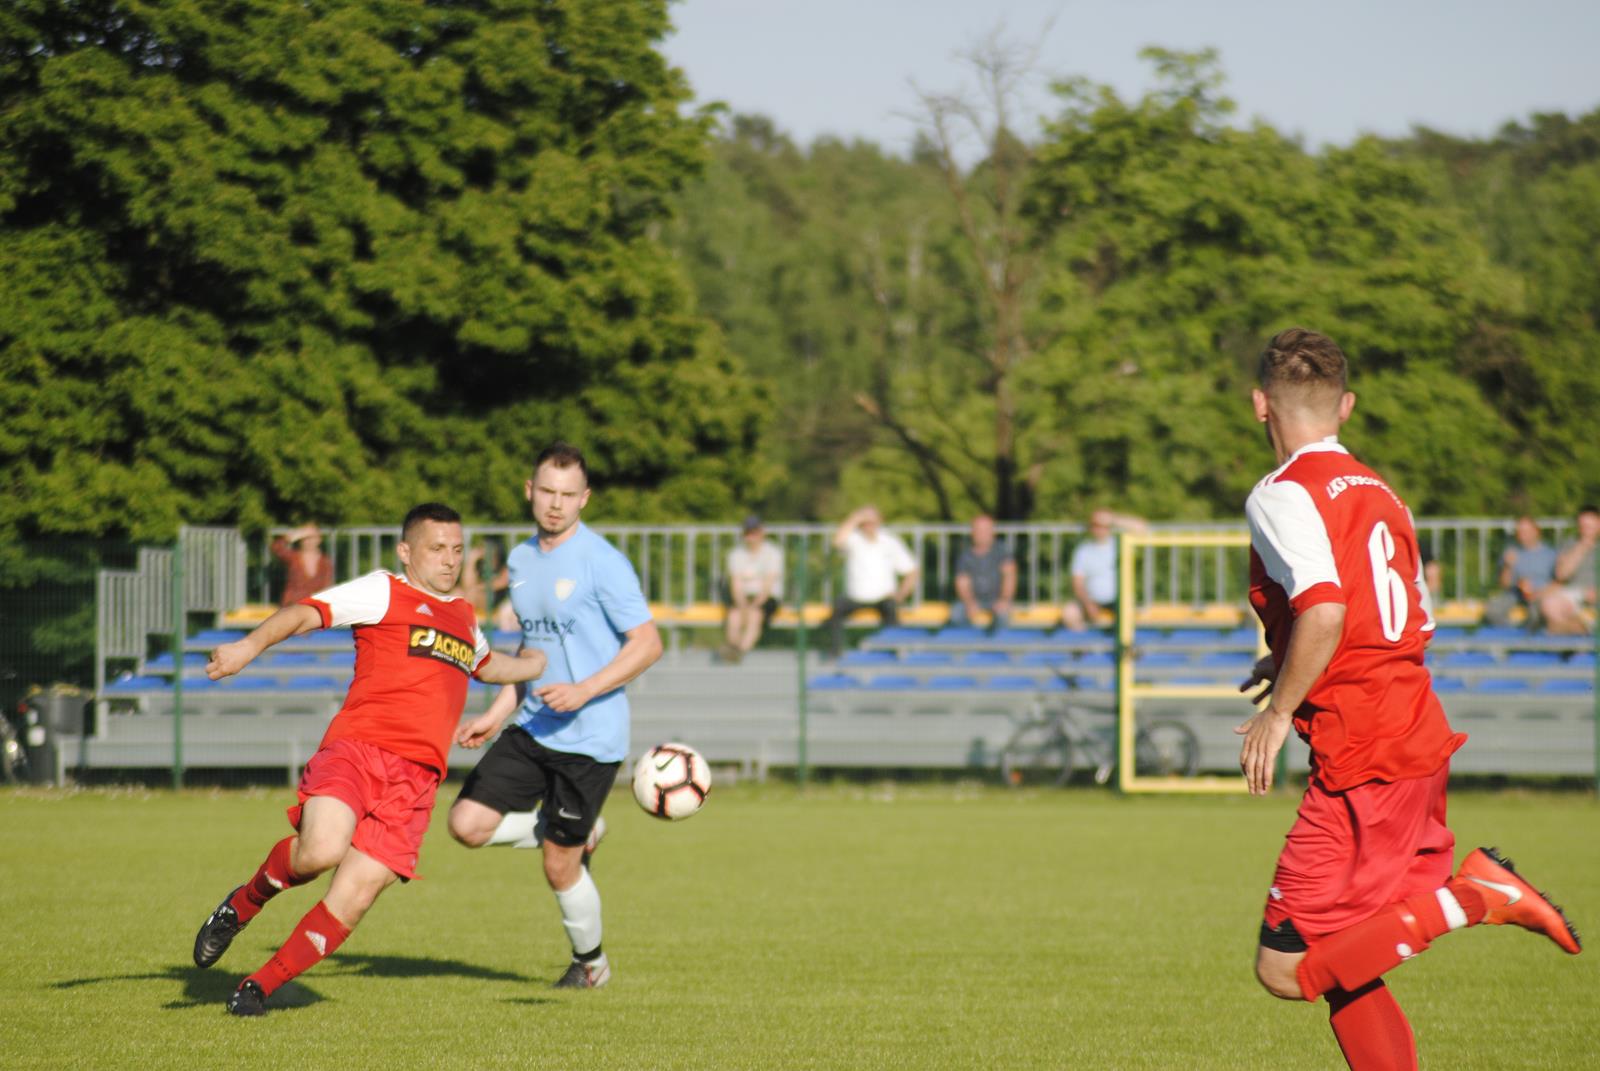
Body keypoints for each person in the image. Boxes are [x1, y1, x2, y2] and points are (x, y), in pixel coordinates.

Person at [1234, 328, 1581, 1071]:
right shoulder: (1382, 493)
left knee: (1285, 966)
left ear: (1260, 404)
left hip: (1366, 752)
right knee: (1342, 958)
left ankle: (1475, 896)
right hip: (1414, 731)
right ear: (1346, 407)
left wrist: (1279, 710)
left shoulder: (1281, 492)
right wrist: (1285, 657)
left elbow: (1327, 609)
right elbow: (1404, 617)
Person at [191, 503, 550, 1016]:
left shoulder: (465, 617)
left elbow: (487, 667)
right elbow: (304, 613)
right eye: (436, 549)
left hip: (417, 782)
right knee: (319, 851)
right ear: (407, 551)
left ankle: (258, 988)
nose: (449, 560)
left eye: (456, 549)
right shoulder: (383, 590)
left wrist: (533, 663)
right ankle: (242, 904)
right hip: (359, 752)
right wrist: (249, 647)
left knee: (354, 898)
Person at [447, 442, 663, 990]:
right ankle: (576, 832)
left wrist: (587, 689)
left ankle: (591, 966)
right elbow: (534, 647)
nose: (556, 504)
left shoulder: (603, 563)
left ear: (584, 499)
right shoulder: (519, 560)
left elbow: (648, 643)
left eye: (568, 495)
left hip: (590, 738)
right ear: (530, 490)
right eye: (547, 491)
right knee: (466, 825)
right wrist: (498, 712)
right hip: (534, 725)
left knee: (557, 867)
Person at [823, 505, 918, 656]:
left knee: (892, 610)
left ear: (880, 521)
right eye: (865, 522)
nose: (868, 526)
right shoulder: (853, 539)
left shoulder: (890, 542)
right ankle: (835, 653)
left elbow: (912, 570)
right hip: (855, 598)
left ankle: (892, 652)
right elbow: (837, 542)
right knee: (836, 609)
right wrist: (854, 518)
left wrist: (901, 594)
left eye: (871, 521)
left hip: (883, 598)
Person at [1059, 509, 1145, 630]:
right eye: (1096, 525)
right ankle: (1085, 645)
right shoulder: (1084, 551)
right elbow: (1077, 583)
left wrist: (1113, 518)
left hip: (1118, 599)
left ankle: (1126, 646)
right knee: (1069, 613)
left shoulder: (1120, 544)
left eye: (1103, 526)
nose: (1100, 529)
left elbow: (1142, 528)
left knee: (1130, 614)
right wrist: (1088, 603)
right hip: (1092, 599)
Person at [721, 515, 784, 663]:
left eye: (754, 532)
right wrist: (742, 605)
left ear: (762, 532)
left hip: (766, 597)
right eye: (748, 533)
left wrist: (752, 606)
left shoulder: (773, 553)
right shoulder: (736, 554)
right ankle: (734, 647)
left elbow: (768, 586)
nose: (751, 537)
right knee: (734, 615)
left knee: (755, 615)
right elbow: (736, 585)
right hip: (744, 596)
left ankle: (739, 651)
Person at [1485, 515, 1556, 628]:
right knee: (1492, 610)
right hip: (1515, 593)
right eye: (1520, 531)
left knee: (1537, 614)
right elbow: (1504, 584)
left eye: (1527, 531)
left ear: (1536, 532)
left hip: (1540, 594)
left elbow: (1558, 582)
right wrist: (1507, 566)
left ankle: (1531, 639)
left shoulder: (1550, 554)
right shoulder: (1511, 552)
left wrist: (1539, 592)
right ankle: (1512, 635)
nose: (1523, 535)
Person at [1537, 506, 1599, 635]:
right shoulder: (1570, 544)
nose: (1586, 530)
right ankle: (1580, 628)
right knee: (1549, 604)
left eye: (1590, 526)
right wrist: (1582, 547)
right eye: (1583, 526)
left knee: (1553, 627)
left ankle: (1576, 629)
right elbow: (1561, 574)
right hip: (1576, 595)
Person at [950, 514, 1016, 629]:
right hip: (973, 600)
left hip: (997, 599)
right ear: (973, 532)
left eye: (986, 530)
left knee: (1004, 614)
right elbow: (962, 583)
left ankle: (1000, 646)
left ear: (992, 532)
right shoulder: (965, 556)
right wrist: (969, 602)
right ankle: (966, 644)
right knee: (956, 613)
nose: (982, 534)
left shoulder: (1002, 552)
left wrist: (1004, 599)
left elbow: (1009, 577)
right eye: (978, 530)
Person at [271, 523, 335, 606]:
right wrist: (294, 535)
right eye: (305, 538)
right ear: (300, 540)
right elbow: (276, 547)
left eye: (312, 537)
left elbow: (327, 585)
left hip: (316, 605)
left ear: (319, 539)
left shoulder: (325, 561)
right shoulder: (293, 557)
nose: (309, 541)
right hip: (292, 604)